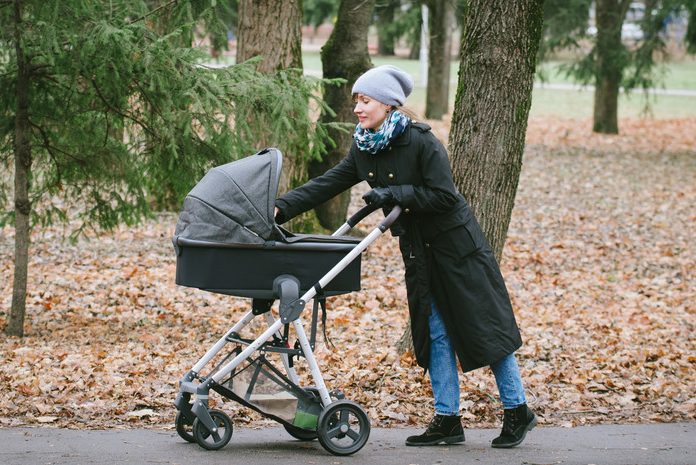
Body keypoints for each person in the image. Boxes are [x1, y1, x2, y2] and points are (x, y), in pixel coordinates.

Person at [274, 65, 537, 448]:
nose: (358, 110)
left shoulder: (421, 141)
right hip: (418, 251)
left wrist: (397, 194)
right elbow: (328, 183)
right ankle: (447, 420)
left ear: (387, 103)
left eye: (364, 101)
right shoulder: (364, 145)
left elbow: (445, 196)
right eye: (356, 102)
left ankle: (518, 411)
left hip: (456, 248)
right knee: (436, 333)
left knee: (485, 327)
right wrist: (281, 208)